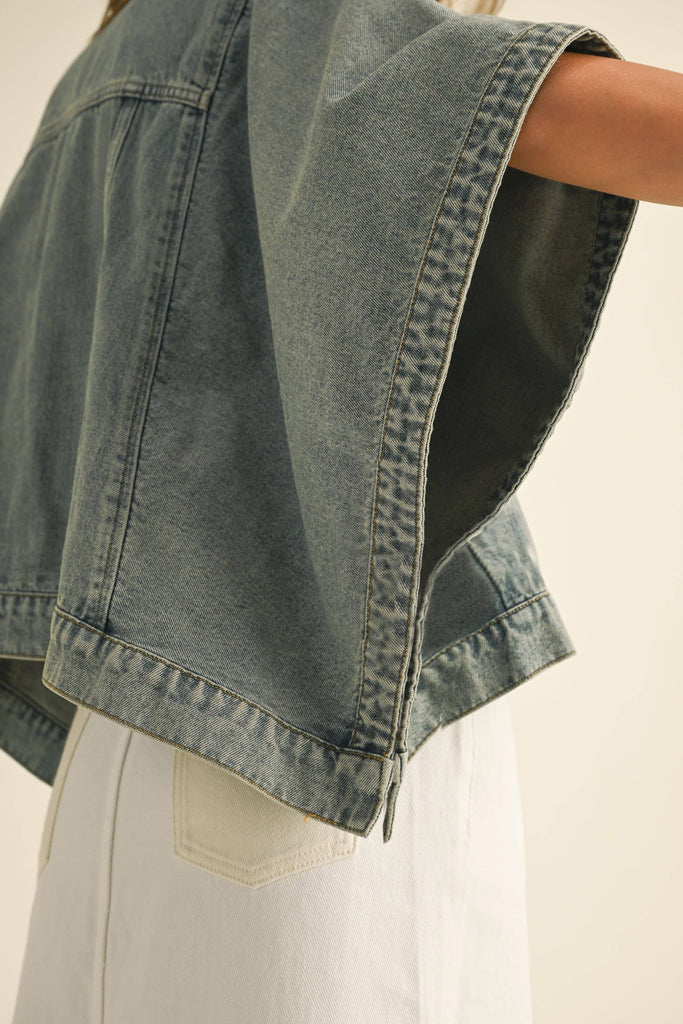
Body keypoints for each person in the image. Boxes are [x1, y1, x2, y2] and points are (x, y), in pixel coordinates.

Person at [2, 0, 681, 1020]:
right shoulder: (301, 21)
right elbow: (579, 117)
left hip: (130, 742)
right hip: (290, 753)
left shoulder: (111, 58)